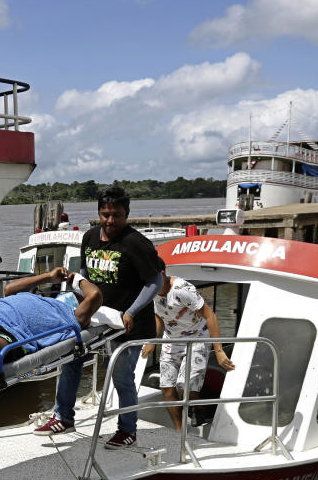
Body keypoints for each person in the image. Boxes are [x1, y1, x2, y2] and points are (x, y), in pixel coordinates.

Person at [34, 185, 161, 448]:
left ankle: (128, 430)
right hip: (97, 315)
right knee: (71, 358)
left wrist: (132, 311)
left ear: (127, 214)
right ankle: (64, 417)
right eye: (105, 214)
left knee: (122, 377)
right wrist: (79, 291)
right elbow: (84, 271)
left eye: (117, 215)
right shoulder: (89, 237)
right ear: (98, 213)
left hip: (128, 323)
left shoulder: (136, 243)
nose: (110, 220)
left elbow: (155, 282)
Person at [141, 259, 235, 431]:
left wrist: (219, 351)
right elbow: (158, 316)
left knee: (185, 385)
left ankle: (199, 408)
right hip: (171, 339)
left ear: (162, 274)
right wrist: (151, 341)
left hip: (196, 337)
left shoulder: (182, 290)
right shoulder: (152, 291)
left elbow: (210, 316)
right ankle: (179, 430)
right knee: (167, 388)